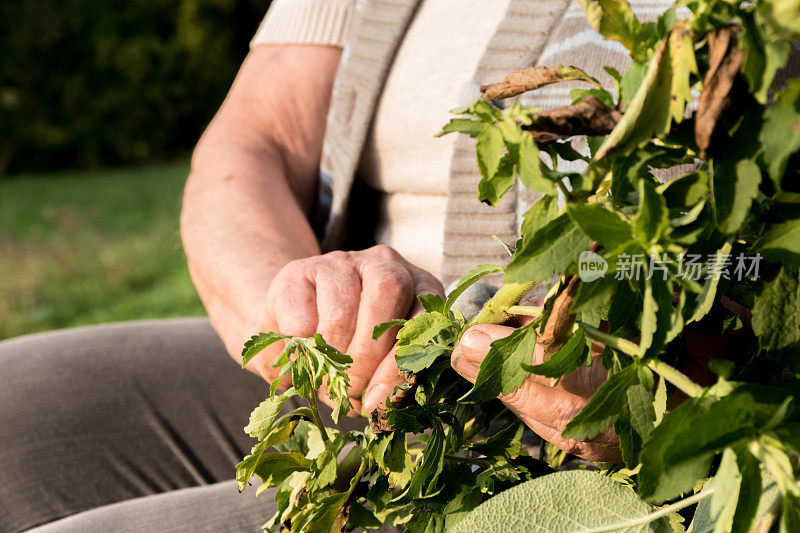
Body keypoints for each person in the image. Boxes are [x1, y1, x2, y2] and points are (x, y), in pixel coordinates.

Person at [1, 0, 784, 531]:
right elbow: (254, 138)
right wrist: (295, 311)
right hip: (363, 372)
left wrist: (657, 395)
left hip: (579, 438)